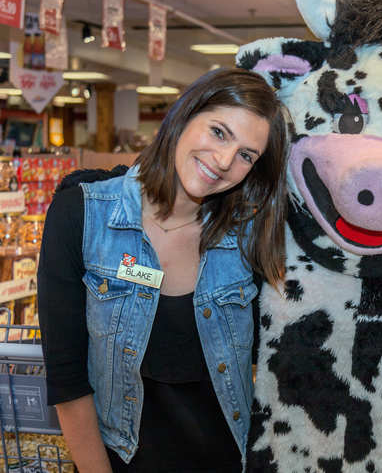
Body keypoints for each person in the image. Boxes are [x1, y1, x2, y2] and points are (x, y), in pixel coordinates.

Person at [37, 67, 286, 472]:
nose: (224, 161)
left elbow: (279, 355)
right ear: (184, 115)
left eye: (246, 155)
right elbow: (67, 381)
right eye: (219, 132)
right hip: (121, 458)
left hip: (226, 459)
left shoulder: (247, 238)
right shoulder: (82, 215)